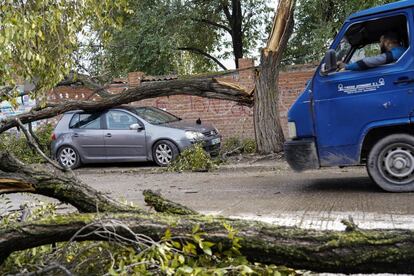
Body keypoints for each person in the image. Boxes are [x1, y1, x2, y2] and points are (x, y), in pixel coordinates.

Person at [337, 32, 407, 71]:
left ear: (387, 41)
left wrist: (346, 66)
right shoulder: (402, 50)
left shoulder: (397, 52)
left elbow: (368, 62)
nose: (380, 44)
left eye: (381, 42)